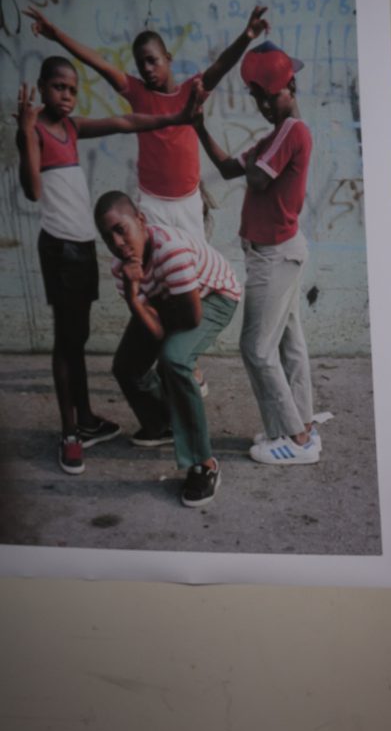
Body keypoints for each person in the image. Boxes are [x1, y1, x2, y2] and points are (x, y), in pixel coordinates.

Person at [15, 61, 204, 474]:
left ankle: (85, 420)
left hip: (81, 250)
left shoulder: (71, 128)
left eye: (71, 89)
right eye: (57, 87)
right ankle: (69, 434)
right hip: (60, 250)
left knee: (77, 335)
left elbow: (124, 120)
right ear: (43, 89)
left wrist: (177, 116)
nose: (65, 95)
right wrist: (27, 132)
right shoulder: (37, 131)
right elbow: (32, 190)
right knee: (67, 342)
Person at [29, 2, 268, 245]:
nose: (146, 69)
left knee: (192, 270)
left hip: (189, 201)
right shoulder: (137, 92)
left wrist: (247, 36)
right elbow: (99, 63)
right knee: (157, 270)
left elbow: (221, 65)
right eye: (141, 64)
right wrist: (56, 35)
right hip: (153, 203)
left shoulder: (191, 91)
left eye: (152, 60)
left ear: (168, 58)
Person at [196, 43, 323, 464]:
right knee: (288, 344)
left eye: (270, 95)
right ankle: (299, 427)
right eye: (258, 97)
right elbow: (232, 169)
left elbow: (258, 177)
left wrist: (258, 156)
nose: (265, 104)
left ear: (291, 86)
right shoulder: (276, 136)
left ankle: (296, 437)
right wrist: (197, 125)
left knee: (255, 348)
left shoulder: (291, 132)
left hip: (275, 256)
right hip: (277, 254)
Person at [95, 192, 242, 507]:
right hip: (170, 299)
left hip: (212, 295)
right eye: (108, 237)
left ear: (142, 221)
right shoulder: (121, 269)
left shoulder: (170, 250)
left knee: (175, 360)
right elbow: (156, 328)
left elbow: (190, 317)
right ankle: (163, 422)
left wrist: (147, 308)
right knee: (127, 365)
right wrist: (135, 298)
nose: (118, 242)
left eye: (122, 229)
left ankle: (204, 463)